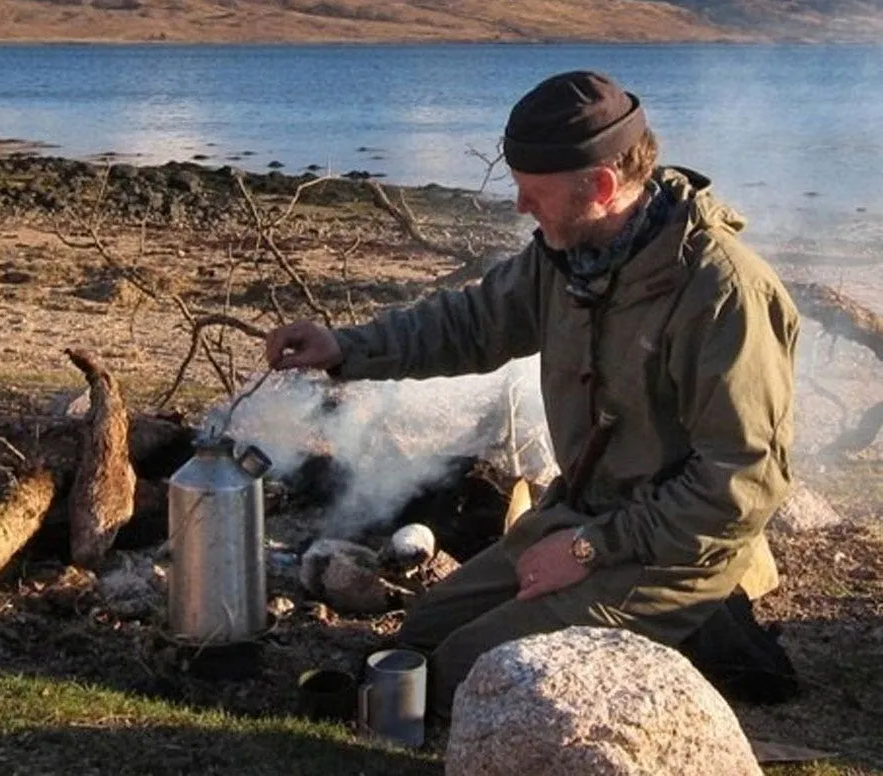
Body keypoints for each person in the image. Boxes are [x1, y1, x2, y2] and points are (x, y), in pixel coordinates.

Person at [265, 69, 798, 716]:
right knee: (425, 633)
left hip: (675, 554)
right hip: (582, 518)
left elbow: (740, 483)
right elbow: (472, 324)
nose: (520, 206)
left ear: (601, 186)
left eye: (532, 193)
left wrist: (588, 550)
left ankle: (693, 638)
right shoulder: (568, 256)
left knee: (471, 672)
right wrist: (347, 347)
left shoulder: (722, 294)